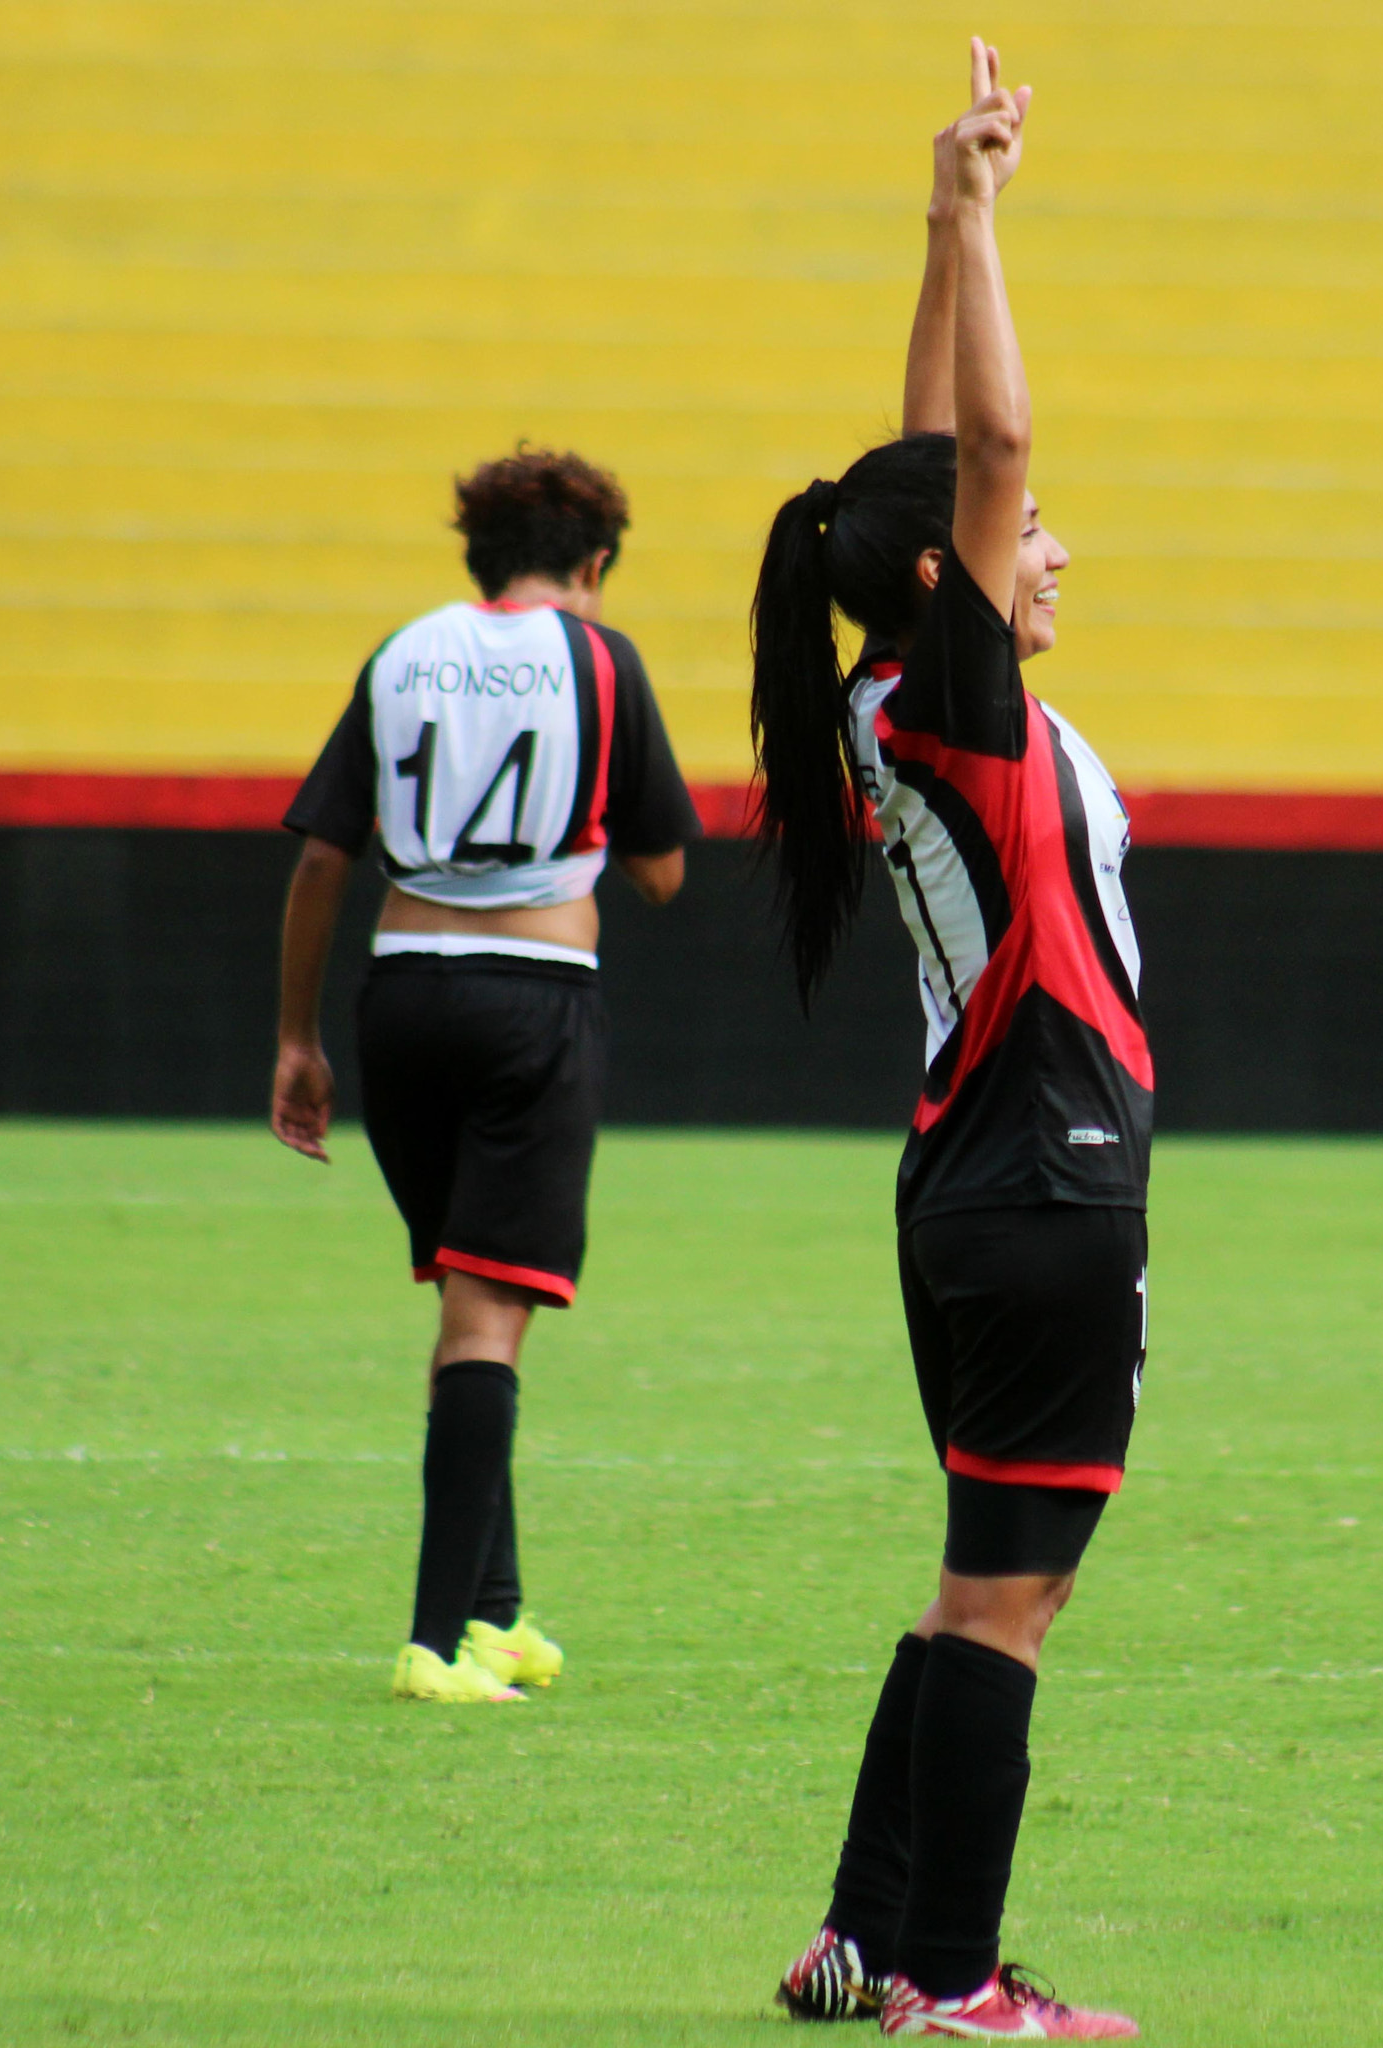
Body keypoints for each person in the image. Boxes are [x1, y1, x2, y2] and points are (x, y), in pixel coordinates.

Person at [753, 45, 1150, 2040]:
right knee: (1009, 1593)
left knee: (979, 1574)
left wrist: (939, 212)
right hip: (1040, 1175)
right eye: (1025, 530)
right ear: (948, 571)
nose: (1049, 542)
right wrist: (979, 225)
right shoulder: (962, 706)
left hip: (967, 1176)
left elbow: (931, 461)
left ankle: (862, 1933)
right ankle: (950, 1983)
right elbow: (977, 451)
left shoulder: (890, 692)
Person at [271, 445, 700, 1705]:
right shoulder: (600, 661)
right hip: (531, 1004)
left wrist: (298, 1038)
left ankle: (496, 1611)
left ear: (478, 556)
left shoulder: (401, 654)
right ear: (595, 565)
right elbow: (665, 871)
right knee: (486, 1319)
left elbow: (317, 861)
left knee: (469, 1306)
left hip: (398, 998)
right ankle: (435, 1641)